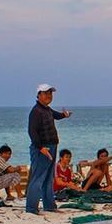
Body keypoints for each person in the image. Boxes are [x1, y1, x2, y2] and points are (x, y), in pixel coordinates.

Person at [26, 83, 71, 214]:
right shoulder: (36, 111)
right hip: (42, 148)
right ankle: (31, 208)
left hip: (52, 146)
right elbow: (32, 131)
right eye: (45, 93)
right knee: (38, 178)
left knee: (48, 178)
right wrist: (41, 148)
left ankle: (49, 205)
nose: (49, 96)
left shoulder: (47, 109)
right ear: (39, 95)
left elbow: (56, 115)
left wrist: (65, 115)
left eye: (50, 93)